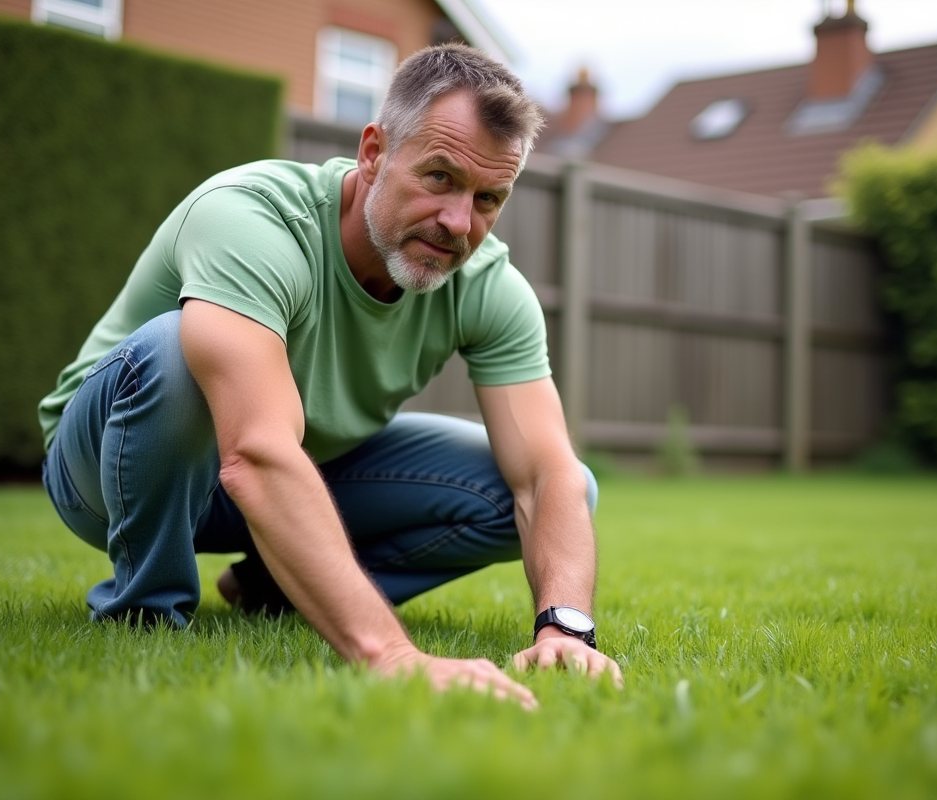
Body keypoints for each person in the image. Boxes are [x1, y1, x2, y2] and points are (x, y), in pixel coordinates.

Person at [38, 43, 621, 708]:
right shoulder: (252, 219)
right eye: (439, 178)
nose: (460, 224)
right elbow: (254, 452)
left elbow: (547, 475)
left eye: (489, 197)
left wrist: (566, 628)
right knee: (179, 350)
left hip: (292, 466)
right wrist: (392, 654)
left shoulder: (490, 287)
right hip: (108, 468)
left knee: (570, 485)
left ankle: (274, 586)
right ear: (374, 152)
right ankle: (146, 608)